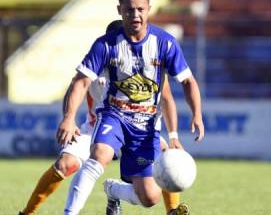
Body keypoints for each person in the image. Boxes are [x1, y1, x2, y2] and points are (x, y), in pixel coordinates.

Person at [19, 20, 190, 215]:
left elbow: (166, 98)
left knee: (164, 162)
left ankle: (168, 210)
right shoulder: (100, 59)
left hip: (138, 129)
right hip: (97, 129)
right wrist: (69, 118)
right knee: (64, 164)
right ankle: (28, 213)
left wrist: (174, 135)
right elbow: (75, 87)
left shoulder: (147, 65)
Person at [57, 0, 204, 214]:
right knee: (100, 155)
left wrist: (196, 115)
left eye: (140, 9)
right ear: (120, 11)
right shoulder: (105, 45)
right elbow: (80, 81)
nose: (135, 15)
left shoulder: (165, 44)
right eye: (129, 10)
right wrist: (68, 118)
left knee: (150, 197)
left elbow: (187, 82)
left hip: (145, 128)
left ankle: (113, 190)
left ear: (148, 9)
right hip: (114, 116)